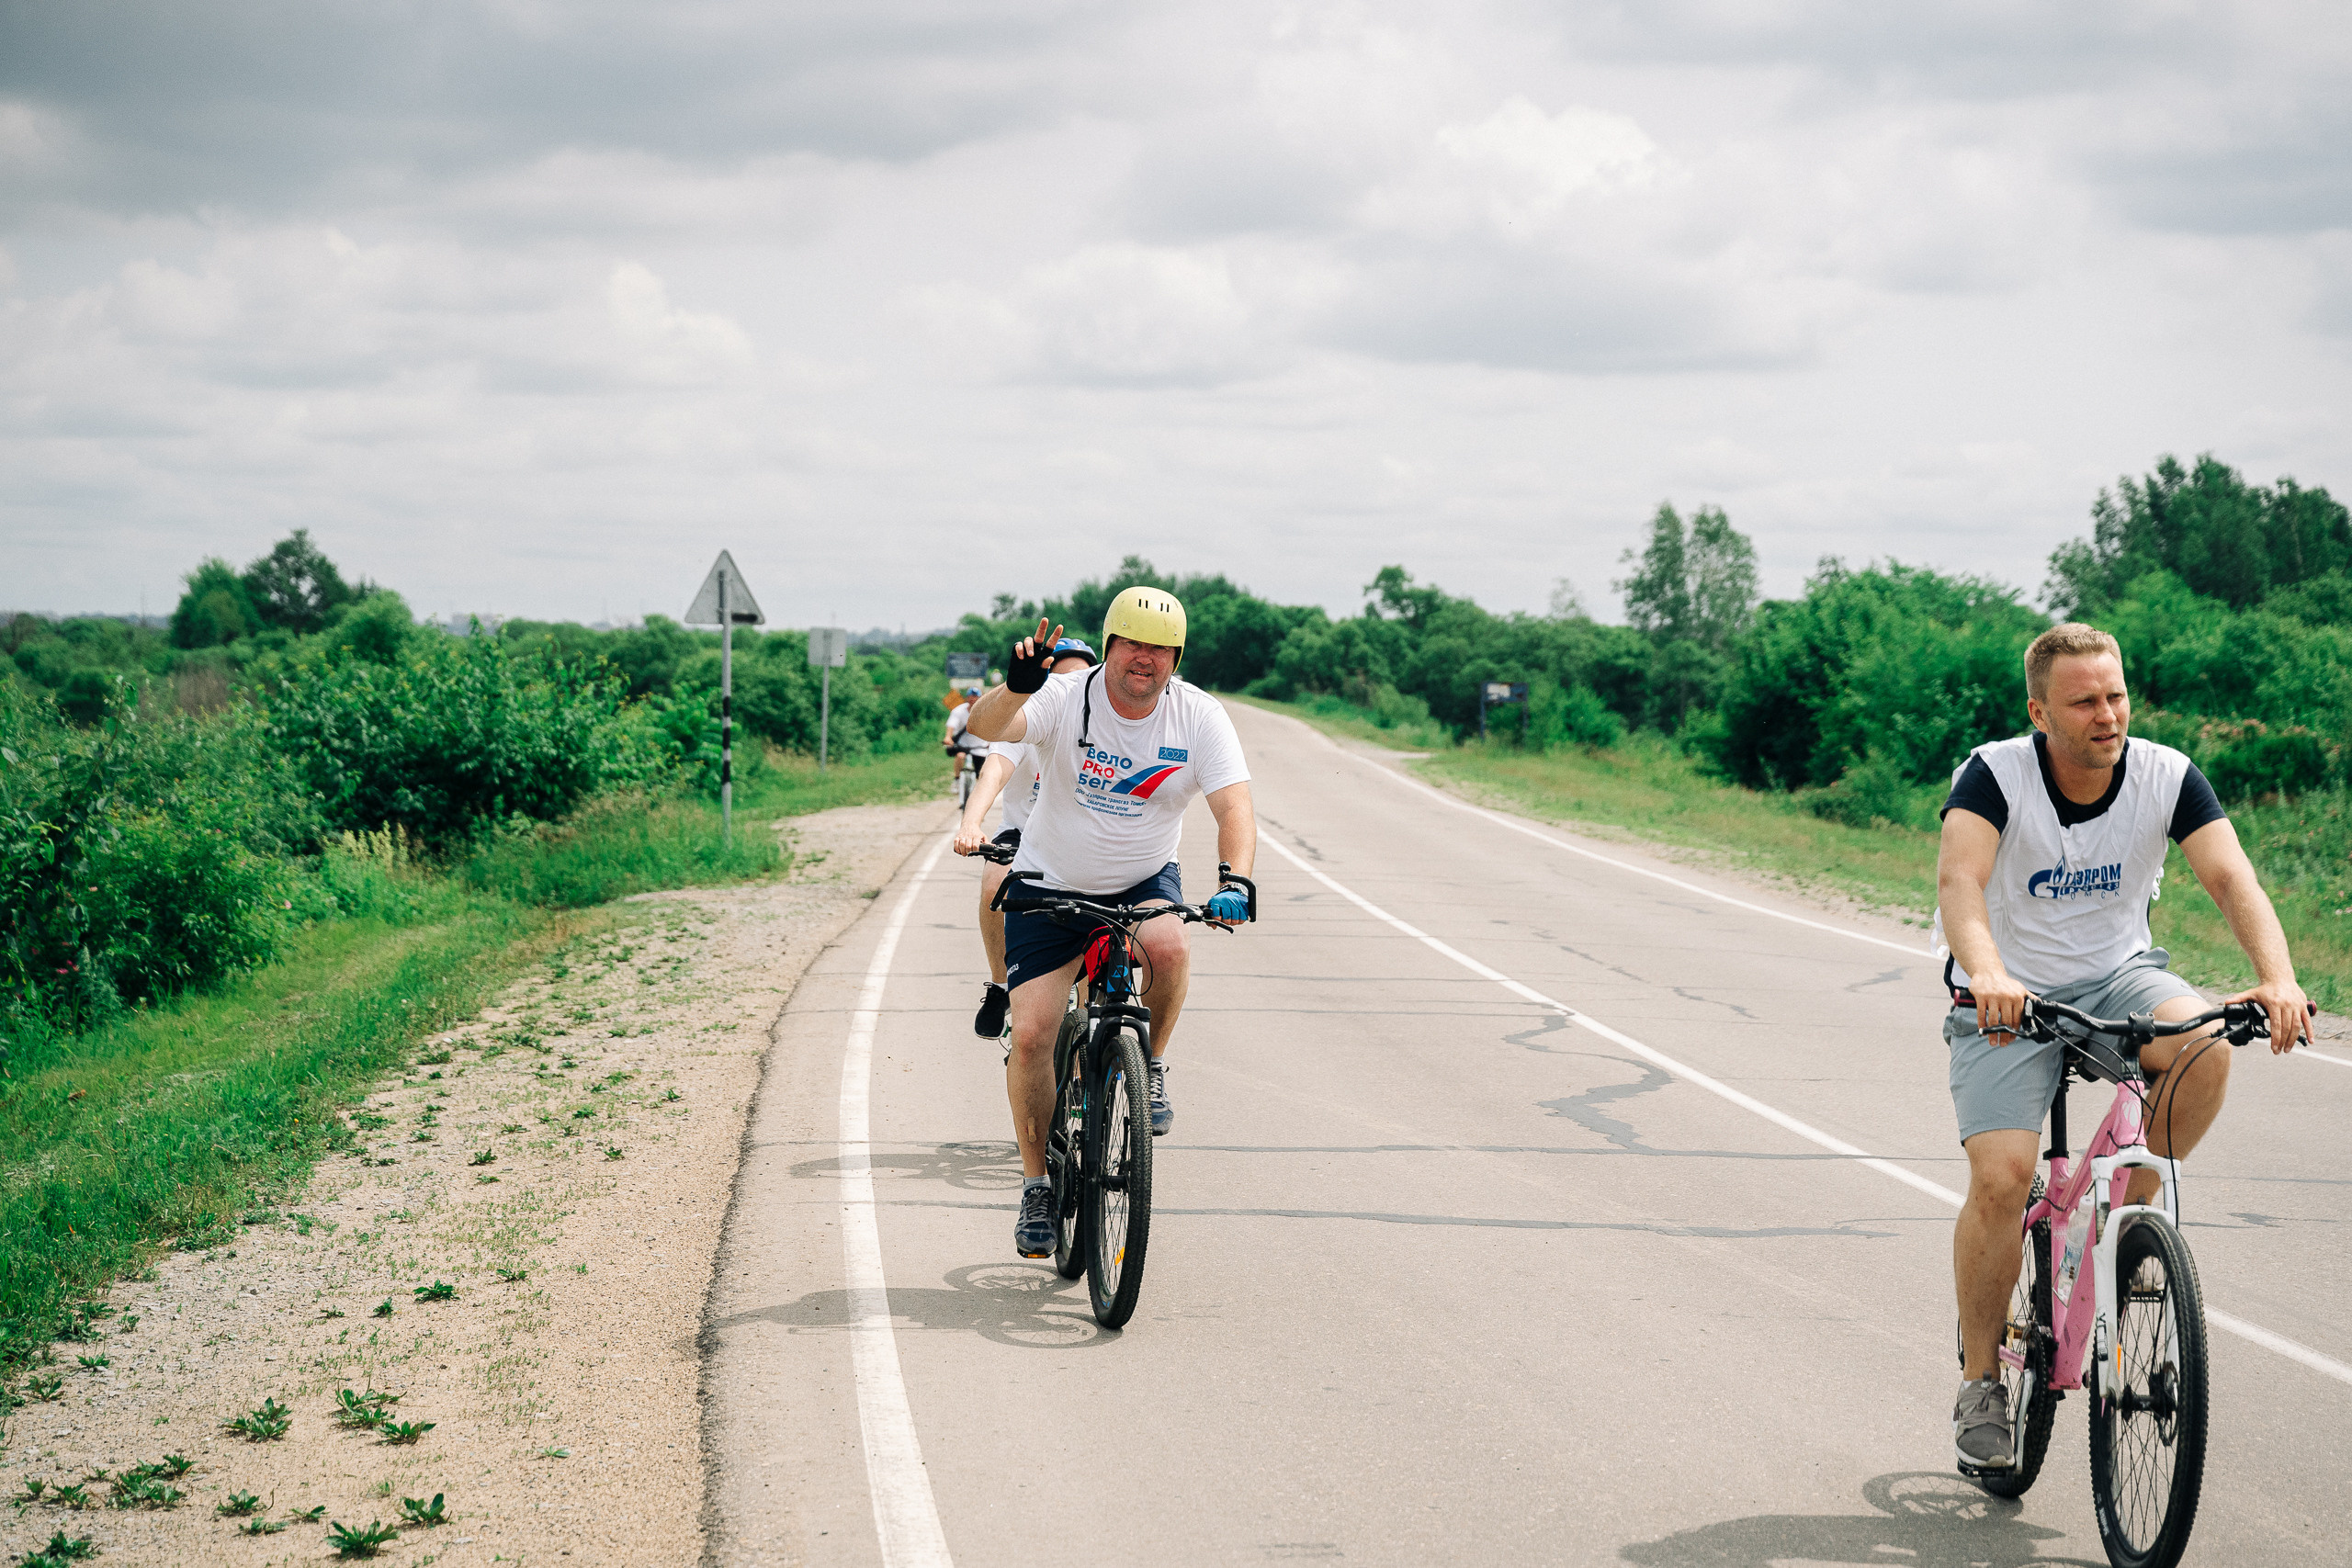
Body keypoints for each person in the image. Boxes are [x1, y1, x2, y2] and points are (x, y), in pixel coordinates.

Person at [1935, 622, 2311, 1472]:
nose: (2108, 714)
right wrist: (1988, 971)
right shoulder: (1994, 774)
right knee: (2000, 1177)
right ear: (2040, 711)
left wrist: (2276, 976)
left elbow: (2230, 875)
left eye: (2116, 695)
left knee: (2206, 1044)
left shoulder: (2166, 775)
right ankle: (1981, 1380)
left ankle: (2127, 1224)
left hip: (2119, 975)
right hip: (2008, 993)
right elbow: (1962, 882)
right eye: (2084, 701)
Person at [964, 589, 1258, 1258]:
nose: (1143, 658)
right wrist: (1015, 688)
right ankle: (1037, 1185)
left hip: (1143, 879)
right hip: (1048, 880)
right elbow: (992, 727)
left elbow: (1234, 806)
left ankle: (1148, 1064)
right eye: (1131, 643)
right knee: (1034, 1034)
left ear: (1175, 658)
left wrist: (1234, 877)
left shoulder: (1198, 716)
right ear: (1108, 645)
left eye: (1159, 649)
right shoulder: (1067, 699)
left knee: (1171, 944)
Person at [954, 637, 1100, 1039]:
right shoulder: (1030, 720)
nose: (1070, 684)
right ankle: (1001, 986)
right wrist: (971, 823)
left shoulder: (1101, 726)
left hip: (1078, 837)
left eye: (1081, 675)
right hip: (1023, 833)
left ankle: (1090, 1046)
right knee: (994, 883)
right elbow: (994, 772)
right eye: (1059, 675)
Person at [942, 683, 987, 793]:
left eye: (976, 696)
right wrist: (948, 737)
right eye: (971, 696)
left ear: (980, 698)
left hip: (980, 746)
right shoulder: (959, 711)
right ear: (967, 697)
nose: (973, 699)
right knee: (960, 756)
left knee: (981, 774)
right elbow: (951, 725)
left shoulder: (986, 711)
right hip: (963, 745)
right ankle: (957, 780)